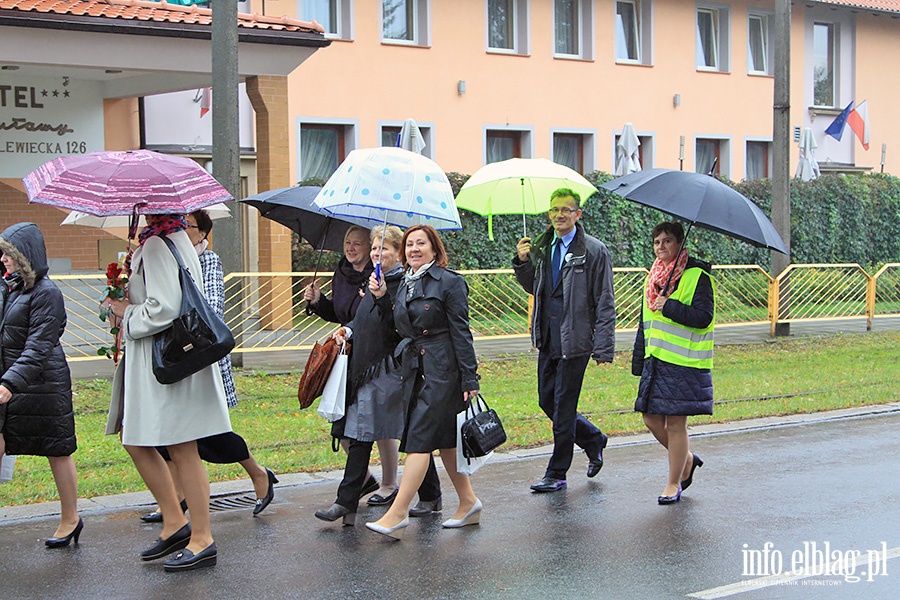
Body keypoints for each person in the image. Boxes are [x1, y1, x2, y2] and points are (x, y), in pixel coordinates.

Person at [104, 214, 230, 572]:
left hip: (165, 360)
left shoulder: (159, 244)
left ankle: (201, 537)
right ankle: (176, 522)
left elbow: (164, 308)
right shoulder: (170, 238)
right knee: (145, 440)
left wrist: (125, 312)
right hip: (167, 360)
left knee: (181, 446)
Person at [138, 209, 277, 523]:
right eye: (181, 224)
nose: (184, 230)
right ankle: (176, 499)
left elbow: (211, 308)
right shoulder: (164, 253)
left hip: (200, 356)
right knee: (167, 435)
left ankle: (259, 474)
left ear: (203, 233)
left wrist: (172, 303)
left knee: (212, 433)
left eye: (190, 226)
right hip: (171, 356)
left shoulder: (207, 260)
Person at [365, 225, 481, 540]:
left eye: (421, 243)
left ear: (434, 249)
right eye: (410, 244)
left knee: (418, 439)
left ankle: (398, 512)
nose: (415, 249)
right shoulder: (404, 283)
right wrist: (380, 299)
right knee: (444, 443)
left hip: (444, 371)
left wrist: (470, 376)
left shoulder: (449, 282)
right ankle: (469, 502)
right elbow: (396, 330)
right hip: (415, 369)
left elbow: (461, 331)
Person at [512, 188, 616, 493]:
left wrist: (604, 346)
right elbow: (536, 286)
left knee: (564, 408)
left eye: (566, 210)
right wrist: (522, 262)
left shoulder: (594, 251)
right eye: (554, 209)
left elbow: (605, 301)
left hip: (577, 340)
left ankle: (557, 472)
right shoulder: (543, 247)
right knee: (547, 400)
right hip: (547, 336)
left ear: (577, 214)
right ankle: (592, 438)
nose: (559, 215)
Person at [303, 225, 400, 503]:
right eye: (348, 243)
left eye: (358, 243)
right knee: (342, 419)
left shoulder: (379, 277)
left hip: (376, 355)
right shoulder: (342, 272)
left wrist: (371, 298)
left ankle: (391, 483)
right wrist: (318, 302)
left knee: (378, 419)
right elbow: (339, 313)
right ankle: (366, 480)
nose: (352, 248)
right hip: (346, 351)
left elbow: (379, 315)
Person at [0, 222, 82, 547]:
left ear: (25, 256)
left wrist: (10, 382)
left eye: (8, 254)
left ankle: (71, 518)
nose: (3, 259)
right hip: (11, 380)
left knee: (57, 450)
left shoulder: (47, 293)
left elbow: (39, 345)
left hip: (43, 384)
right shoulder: (8, 288)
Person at [632, 222, 713, 504]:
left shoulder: (697, 276)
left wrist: (670, 306)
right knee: (651, 418)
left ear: (680, 244)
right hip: (655, 360)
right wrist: (638, 360)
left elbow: (704, 317)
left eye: (667, 241)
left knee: (676, 423)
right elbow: (646, 323)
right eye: (657, 242)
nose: (661, 247)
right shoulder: (653, 278)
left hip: (683, 362)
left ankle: (673, 482)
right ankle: (687, 459)